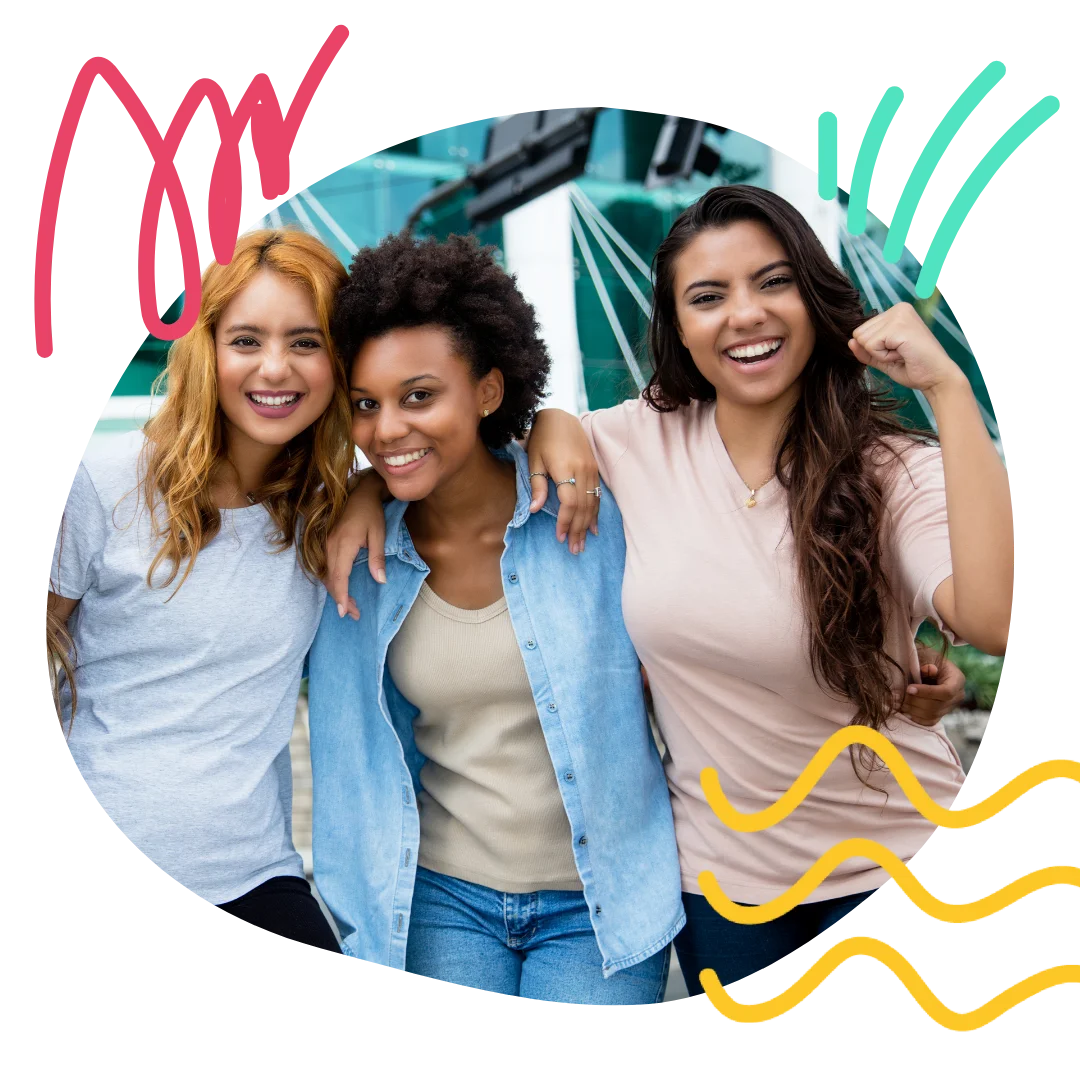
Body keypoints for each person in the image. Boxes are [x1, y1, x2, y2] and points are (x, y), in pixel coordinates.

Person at [325, 186, 999, 996]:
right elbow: (509, 439)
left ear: (815, 297)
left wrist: (952, 391)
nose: (743, 314)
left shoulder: (894, 467)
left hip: (899, 852)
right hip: (726, 881)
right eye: (707, 297)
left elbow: (991, 619)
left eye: (773, 282)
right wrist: (370, 491)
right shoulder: (631, 446)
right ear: (678, 327)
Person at [305, 232, 684, 1005]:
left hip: (601, 904)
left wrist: (560, 420)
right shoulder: (357, 558)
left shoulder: (590, 512)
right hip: (444, 900)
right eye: (365, 406)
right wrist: (362, 491)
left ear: (486, 391)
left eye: (420, 396)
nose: (387, 430)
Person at [45, 228, 352, 956]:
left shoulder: (326, 508)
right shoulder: (101, 485)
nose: (275, 367)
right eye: (246, 339)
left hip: (257, 874)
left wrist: (555, 426)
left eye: (306, 342)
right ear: (206, 349)